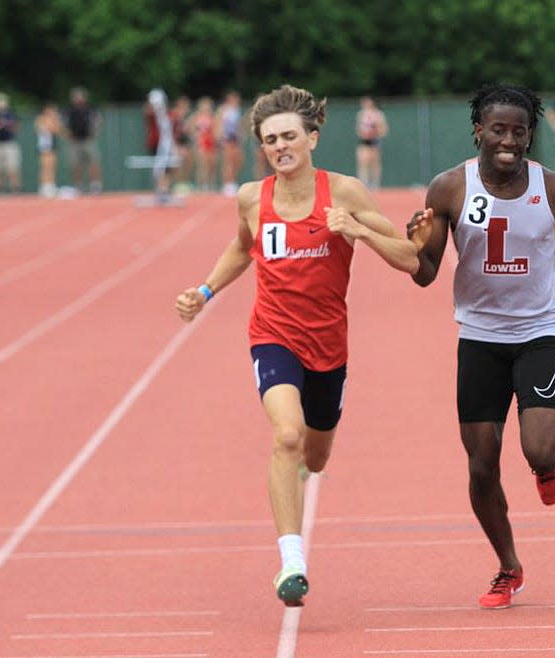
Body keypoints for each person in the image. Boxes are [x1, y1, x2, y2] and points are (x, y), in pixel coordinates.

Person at [174, 84, 431, 607]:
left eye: (289, 135)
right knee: (286, 436)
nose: (280, 146)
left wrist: (356, 228)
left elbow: (411, 260)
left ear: (312, 138)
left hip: (329, 347)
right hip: (273, 336)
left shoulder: (345, 192)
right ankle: (291, 561)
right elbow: (241, 247)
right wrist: (204, 290)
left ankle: (303, 473)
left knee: (314, 456)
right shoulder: (252, 197)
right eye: (270, 140)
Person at [405, 84, 555, 609]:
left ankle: (547, 466)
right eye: (499, 129)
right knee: (481, 465)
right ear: (479, 129)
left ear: (530, 134)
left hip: (539, 330)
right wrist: (416, 244)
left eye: (520, 131)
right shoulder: (449, 188)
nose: (509, 141)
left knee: (538, 447)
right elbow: (425, 276)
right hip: (479, 335)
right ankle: (508, 566)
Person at [64, 87, 103, 194]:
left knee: (93, 162)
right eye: (76, 97)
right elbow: (63, 124)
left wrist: (94, 133)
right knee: (75, 164)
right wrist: (67, 134)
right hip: (74, 142)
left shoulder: (90, 109)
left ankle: (95, 185)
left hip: (88, 140)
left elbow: (99, 120)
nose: (78, 100)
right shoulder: (69, 110)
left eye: (80, 97)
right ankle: (78, 186)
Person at [355, 96, 388, 189]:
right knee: (362, 161)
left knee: (374, 163)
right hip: (364, 140)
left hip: (374, 141)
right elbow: (358, 129)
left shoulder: (378, 114)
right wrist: (363, 134)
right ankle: (363, 183)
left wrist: (375, 132)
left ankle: (375, 184)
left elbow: (383, 129)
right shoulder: (361, 114)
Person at [216, 91, 244, 196]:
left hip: (235, 138)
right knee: (228, 161)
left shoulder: (237, 110)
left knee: (238, 160)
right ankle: (227, 184)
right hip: (227, 138)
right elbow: (218, 123)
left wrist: (241, 135)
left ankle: (233, 181)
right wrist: (220, 137)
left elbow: (238, 125)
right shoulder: (223, 109)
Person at [34, 102, 62, 198]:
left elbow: (58, 130)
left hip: (52, 144)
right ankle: (44, 186)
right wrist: (53, 121)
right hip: (44, 145)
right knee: (45, 166)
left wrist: (55, 121)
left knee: (52, 166)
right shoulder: (41, 119)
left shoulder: (53, 119)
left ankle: (50, 185)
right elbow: (50, 129)